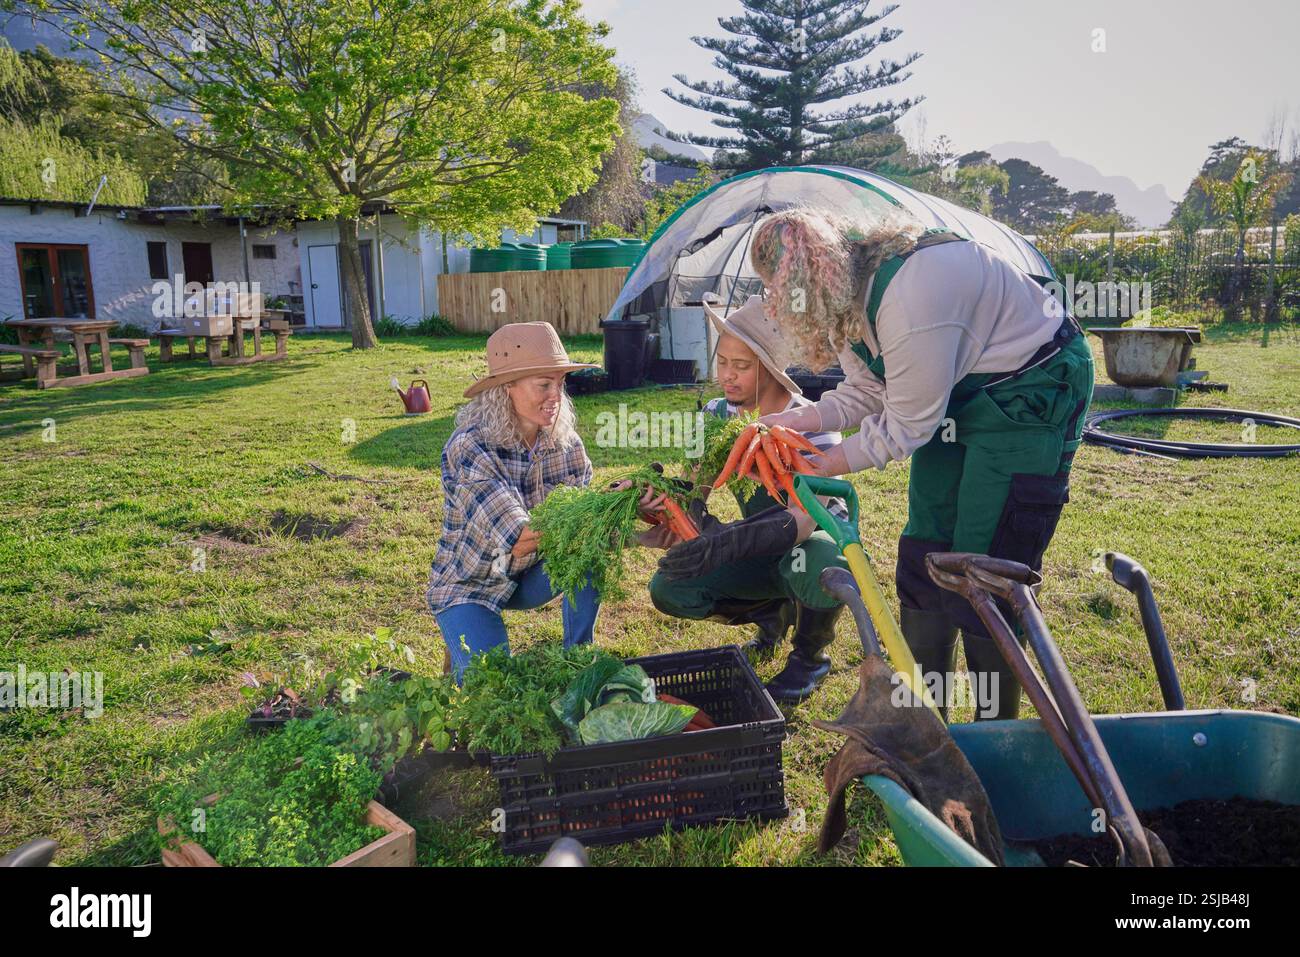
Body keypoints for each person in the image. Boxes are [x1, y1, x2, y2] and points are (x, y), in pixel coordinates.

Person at [740, 206, 1094, 721]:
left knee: (985, 564)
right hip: (958, 393)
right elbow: (866, 389)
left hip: (1031, 390)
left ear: (810, 280)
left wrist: (822, 465)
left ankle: (994, 733)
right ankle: (928, 719)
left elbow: (907, 427)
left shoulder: (910, 297)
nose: (777, 304)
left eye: (779, 290)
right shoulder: (845, 296)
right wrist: (797, 423)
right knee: (927, 546)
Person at [648, 295, 852, 704]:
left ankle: (810, 657)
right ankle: (771, 614)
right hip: (759, 546)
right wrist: (662, 504)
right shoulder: (716, 414)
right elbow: (694, 491)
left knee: (822, 562)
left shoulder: (814, 425)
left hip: (807, 542)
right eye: (721, 361)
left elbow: (805, 519)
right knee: (670, 587)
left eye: (740, 366)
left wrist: (729, 541)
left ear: (773, 372)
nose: (726, 376)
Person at [427, 322, 603, 681]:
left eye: (560, 383)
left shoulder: (566, 445)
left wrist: (625, 513)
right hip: (472, 582)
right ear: (506, 388)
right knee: (492, 683)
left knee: (590, 550)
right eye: (543, 384)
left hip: (531, 574)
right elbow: (522, 537)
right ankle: (463, 633)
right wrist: (596, 509)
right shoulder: (470, 448)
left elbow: (585, 529)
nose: (556, 395)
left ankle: (578, 663)